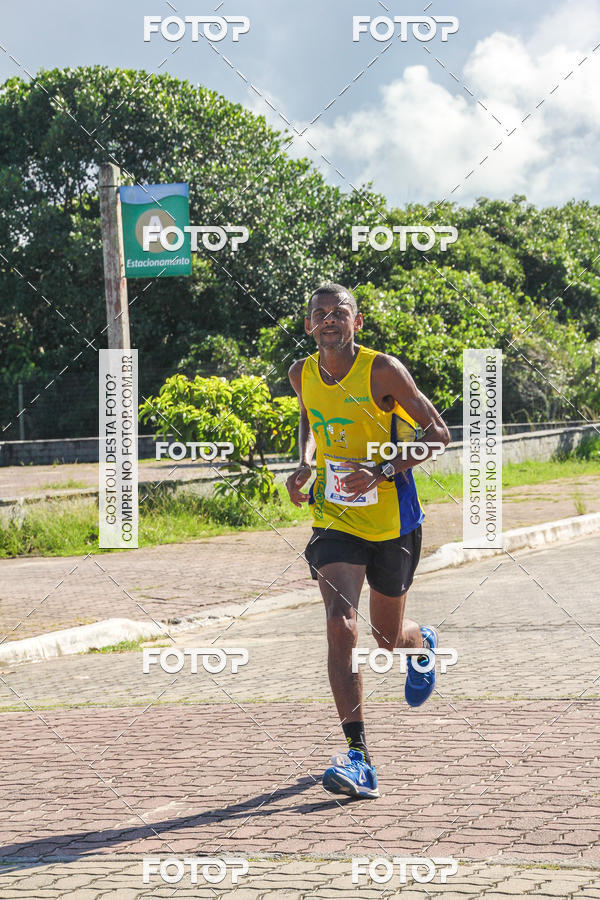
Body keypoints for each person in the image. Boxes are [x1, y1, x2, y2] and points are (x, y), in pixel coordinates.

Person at [285, 282, 450, 799]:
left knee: (385, 637)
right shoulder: (301, 373)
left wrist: (381, 469)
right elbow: (310, 417)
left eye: (339, 313)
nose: (328, 320)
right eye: (319, 314)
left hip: (394, 525)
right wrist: (306, 463)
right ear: (310, 325)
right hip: (335, 521)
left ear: (356, 323)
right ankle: (359, 757)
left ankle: (421, 644)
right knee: (340, 625)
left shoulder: (382, 370)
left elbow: (438, 435)